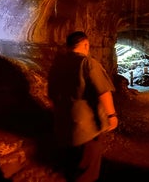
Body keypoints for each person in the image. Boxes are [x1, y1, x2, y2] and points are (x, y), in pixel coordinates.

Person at [48, 31, 118, 182]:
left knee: (71, 165)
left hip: (64, 125)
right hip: (88, 128)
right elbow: (103, 92)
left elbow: (52, 95)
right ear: (86, 44)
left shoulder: (57, 65)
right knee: (88, 168)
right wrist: (112, 115)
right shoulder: (88, 63)